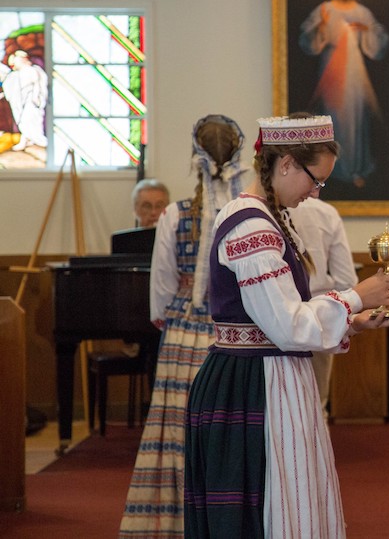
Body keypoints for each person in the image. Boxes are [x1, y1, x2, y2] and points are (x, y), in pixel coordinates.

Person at [184, 114, 389, 538]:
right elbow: (287, 325)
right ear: (287, 163)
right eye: (316, 179)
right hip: (251, 386)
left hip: (273, 376)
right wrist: (355, 296)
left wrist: (354, 322)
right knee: (268, 513)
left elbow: (285, 315)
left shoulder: (270, 219)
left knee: (293, 504)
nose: (316, 192)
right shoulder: (250, 226)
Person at [119, 114, 246, 538]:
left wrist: (166, 318)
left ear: (196, 158)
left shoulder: (175, 215)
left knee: (177, 428)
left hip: (183, 333)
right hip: (234, 332)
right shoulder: (248, 212)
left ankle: (173, 522)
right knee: (227, 424)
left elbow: (162, 284)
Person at [299, 0, 389, 189]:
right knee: (334, 117)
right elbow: (307, 37)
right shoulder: (325, 9)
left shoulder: (362, 12)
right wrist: (321, 27)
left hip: (354, 70)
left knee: (356, 117)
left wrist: (366, 31)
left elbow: (379, 37)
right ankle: (334, 170)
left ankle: (355, 168)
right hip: (331, 67)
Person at [288, 196, 359, 418]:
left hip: (271, 319)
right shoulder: (325, 213)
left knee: (280, 409)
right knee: (316, 406)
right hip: (319, 317)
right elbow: (346, 280)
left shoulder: (256, 210)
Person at [1, 49, 48, 151]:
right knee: (23, 121)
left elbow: (37, 85)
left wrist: (36, 97)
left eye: (16, 61)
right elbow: (13, 88)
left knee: (28, 120)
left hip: (31, 101)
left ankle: (38, 140)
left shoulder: (32, 70)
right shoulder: (16, 75)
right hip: (23, 101)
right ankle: (26, 140)